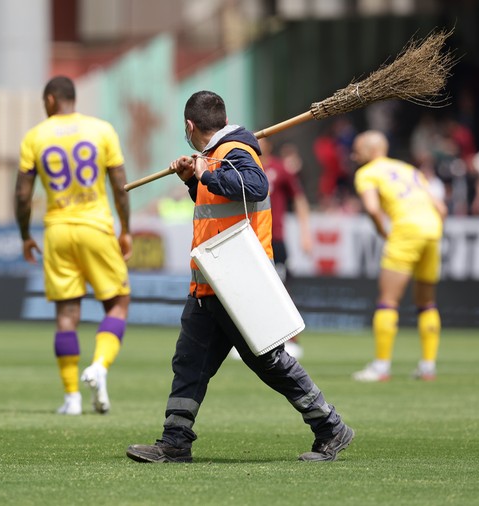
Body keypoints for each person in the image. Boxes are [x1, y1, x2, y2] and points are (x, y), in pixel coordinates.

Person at [126, 90, 354, 463]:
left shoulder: (236, 152)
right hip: (212, 281)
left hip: (238, 282)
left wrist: (206, 171)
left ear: (189, 125)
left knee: (270, 362)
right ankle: (175, 441)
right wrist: (193, 181)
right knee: (189, 361)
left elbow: (254, 186)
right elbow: (221, 205)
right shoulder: (217, 157)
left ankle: (330, 426)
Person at [15, 76, 132, 415]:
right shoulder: (102, 130)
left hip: (57, 231)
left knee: (67, 315)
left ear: (51, 100)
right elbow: (120, 185)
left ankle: (71, 398)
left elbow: (23, 196)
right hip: (95, 227)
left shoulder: (35, 136)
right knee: (118, 302)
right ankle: (99, 366)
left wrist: (25, 234)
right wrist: (125, 228)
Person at [350, 130, 447, 382]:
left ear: (372, 151)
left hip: (405, 230)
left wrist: (383, 231)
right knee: (427, 302)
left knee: (388, 301)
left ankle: (381, 367)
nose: (353, 153)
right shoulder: (408, 169)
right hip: (432, 229)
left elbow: (372, 208)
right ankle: (428, 366)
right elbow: (441, 208)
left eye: (357, 148)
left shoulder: (366, 173)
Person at [229, 137, 311, 360]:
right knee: (246, 288)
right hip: (246, 237)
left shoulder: (279, 168)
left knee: (279, 288)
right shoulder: (239, 167)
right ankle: (247, 339)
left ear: (268, 145)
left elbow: (300, 199)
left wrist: (305, 232)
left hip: (274, 238)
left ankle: (288, 339)